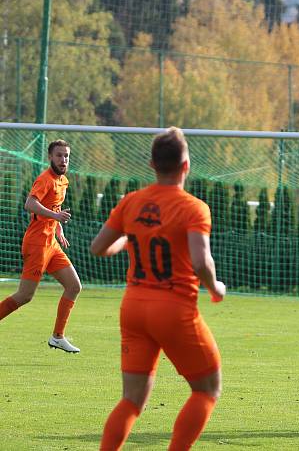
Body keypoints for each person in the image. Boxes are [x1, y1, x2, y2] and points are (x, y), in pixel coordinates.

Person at [91, 127, 226, 451]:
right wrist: (216, 287)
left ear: (151, 164)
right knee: (207, 389)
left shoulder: (131, 202)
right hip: (173, 308)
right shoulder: (194, 207)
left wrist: (129, 239)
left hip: (134, 307)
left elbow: (98, 247)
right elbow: (200, 261)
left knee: (132, 400)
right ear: (186, 165)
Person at [0, 139, 81, 353]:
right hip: (36, 244)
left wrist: (58, 228)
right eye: (59, 155)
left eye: (66, 156)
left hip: (51, 244)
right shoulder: (45, 179)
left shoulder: (63, 181)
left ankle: (58, 336)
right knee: (25, 296)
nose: (63, 159)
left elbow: (55, 204)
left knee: (74, 286)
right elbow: (30, 204)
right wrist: (55, 215)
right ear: (50, 157)